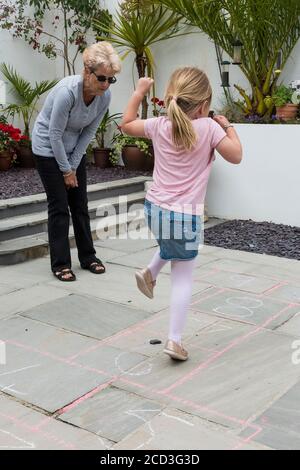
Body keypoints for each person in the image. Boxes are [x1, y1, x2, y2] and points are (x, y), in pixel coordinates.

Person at [121, 67, 242, 361]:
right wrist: (228, 126)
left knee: (170, 243)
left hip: (154, 208)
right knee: (183, 277)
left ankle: (149, 272)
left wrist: (138, 93)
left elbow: (126, 124)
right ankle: (174, 340)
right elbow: (236, 155)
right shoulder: (210, 128)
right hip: (184, 216)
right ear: (203, 105)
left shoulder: (159, 125)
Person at [32, 42, 121, 282]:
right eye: (101, 78)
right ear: (87, 72)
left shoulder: (104, 97)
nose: (105, 84)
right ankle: (60, 264)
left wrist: (72, 165)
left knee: (80, 204)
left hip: (72, 151)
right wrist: (65, 170)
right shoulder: (67, 92)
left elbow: (88, 133)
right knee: (60, 206)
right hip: (47, 148)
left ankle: (88, 257)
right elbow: (54, 134)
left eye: (110, 80)